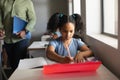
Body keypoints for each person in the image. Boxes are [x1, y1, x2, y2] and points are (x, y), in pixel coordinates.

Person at [0, 0, 36, 71]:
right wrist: (0, 28)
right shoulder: (2, 2)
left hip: (21, 38)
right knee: (13, 64)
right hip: (8, 38)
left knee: (19, 64)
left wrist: (25, 30)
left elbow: (33, 19)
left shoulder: (27, 2)